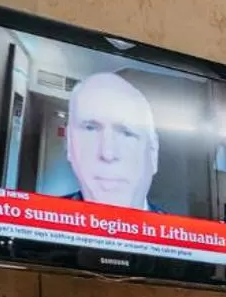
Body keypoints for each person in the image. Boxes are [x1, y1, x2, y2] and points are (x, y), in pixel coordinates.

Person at [64, 70, 161, 210]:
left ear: (153, 153)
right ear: (69, 143)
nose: (107, 153)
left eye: (126, 133)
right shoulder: (34, 220)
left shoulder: (181, 231)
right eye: (90, 128)